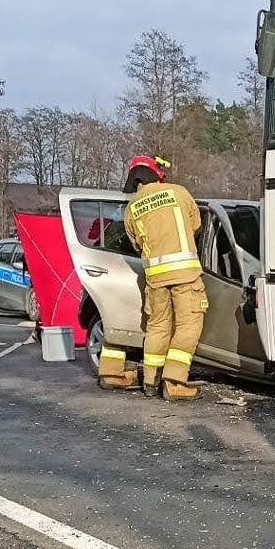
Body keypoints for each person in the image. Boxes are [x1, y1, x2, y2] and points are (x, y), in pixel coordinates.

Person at [96, 156, 206, 400]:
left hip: (155, 278)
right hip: (185, 273)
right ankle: (175, 381)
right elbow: (196, 225)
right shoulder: (178, 193)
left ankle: (150, 380)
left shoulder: (132, 207)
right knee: (189, 325)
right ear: (158, 174)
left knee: (157, 327)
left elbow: (136, 244)